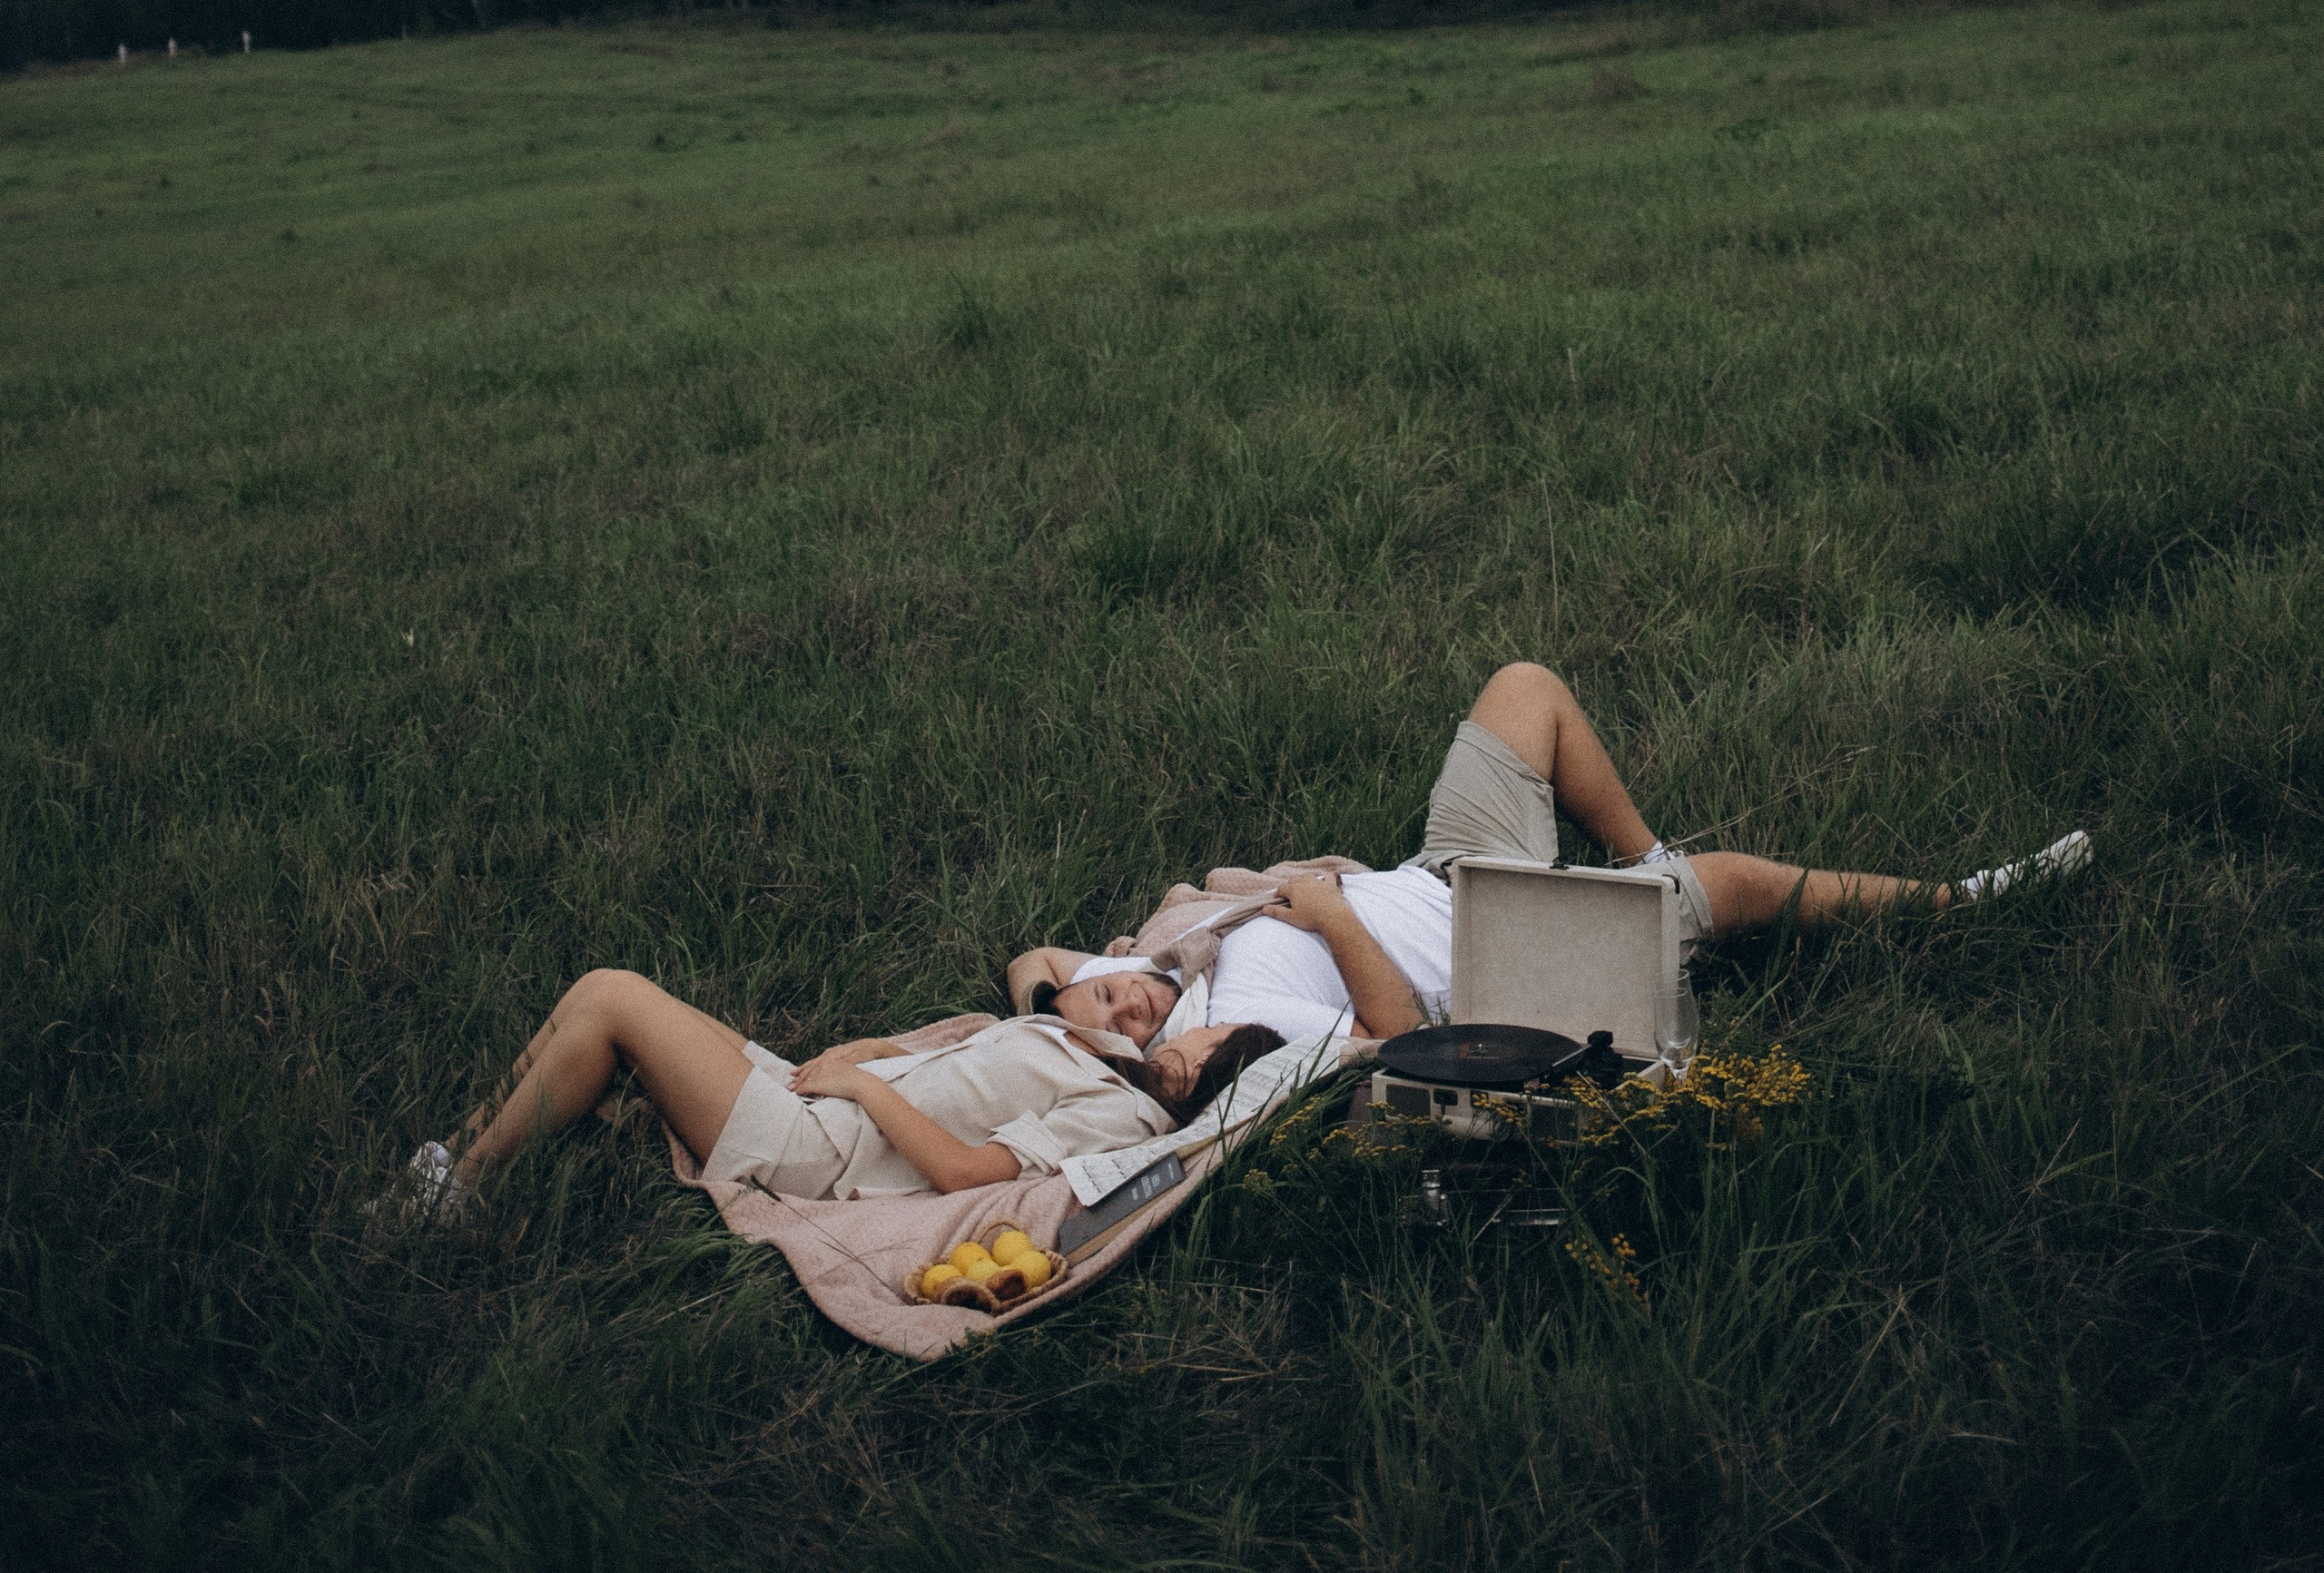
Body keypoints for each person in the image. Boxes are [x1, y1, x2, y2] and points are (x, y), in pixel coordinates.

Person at [1011, 661, 2092, 1050]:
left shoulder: (1145, 963)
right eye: (1112, 1025)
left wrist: (1053, 999)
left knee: (1524, 688)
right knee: (1741, 884)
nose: (1126, 1008)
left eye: (1106, 997)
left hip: (1442, 873)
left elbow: (1033, 963)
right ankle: (1967, 905)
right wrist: (1331, 919)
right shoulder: (1222, 1030)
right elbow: (1392, 1042)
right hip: (1504, 951)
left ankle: (1641, 864)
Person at [374, 964, 1285, 1229]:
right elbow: (1028, 986)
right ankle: (453, 1158)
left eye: (1194, 1045)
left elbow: (967, 1173)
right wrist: (878, 1058)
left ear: (1216, 1076)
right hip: (819, 1102)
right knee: (593, 993)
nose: (1168, 1040)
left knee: (615, 1001)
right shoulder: (1095, 1053)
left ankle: (456, 1193)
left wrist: (858, 1086)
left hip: (821, 1151)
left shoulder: (1127, 1116)